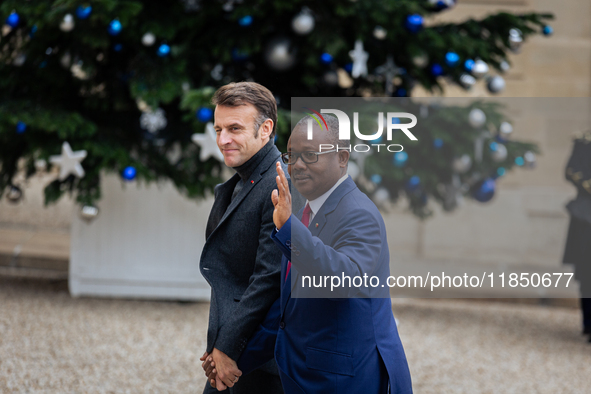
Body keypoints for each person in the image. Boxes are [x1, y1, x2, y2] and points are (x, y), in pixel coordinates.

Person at [211, 115, 413, 393]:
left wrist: (289, 229)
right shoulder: (306, 212)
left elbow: (343, 282)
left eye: (310, 155)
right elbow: (286, 310)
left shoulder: (358, 213)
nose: (298, 166)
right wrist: (231, 355)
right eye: (292, 156)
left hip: (348, 380)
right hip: (308, 376)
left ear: (342, 158)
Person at [198, 82, 286, 393]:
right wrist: (219, 345)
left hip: (262, 360)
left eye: (234, 128)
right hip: (233, 351)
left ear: (265, 129)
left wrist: (228, 347)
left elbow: (269, 278)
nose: (223, 139)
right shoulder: (241, 181)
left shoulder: (278, 184)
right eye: (218, 128)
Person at [563, 132, 591, 343]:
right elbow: (571, 172)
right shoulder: (584, 144)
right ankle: (588, 323)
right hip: (585, 217)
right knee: (585, 274)